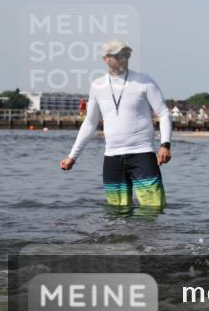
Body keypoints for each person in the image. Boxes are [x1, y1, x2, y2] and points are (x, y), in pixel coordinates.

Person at [59, 41, 172, 209]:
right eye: (119, 56)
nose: (124, 59)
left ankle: (146, 236)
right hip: (112, 158)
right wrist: (72, 156)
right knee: (117, 214)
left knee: (153, 209)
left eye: (127, 55)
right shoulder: (97, 86)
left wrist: (165, 144)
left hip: (142, 154)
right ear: (106, 59)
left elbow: (163, 113)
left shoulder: (144, 81)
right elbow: (90, 123)